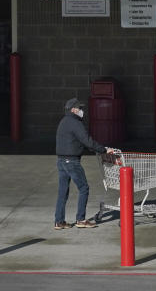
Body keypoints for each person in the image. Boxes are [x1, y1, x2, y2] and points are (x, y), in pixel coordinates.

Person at [54, 97, 115, 229]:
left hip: (61, 161)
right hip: (72, 161)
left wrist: (95, 149)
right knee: (84, 188)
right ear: (74, 109)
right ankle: (81, 219)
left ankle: (59, 222)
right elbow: (87, 141)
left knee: (62, 191)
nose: (82, 111)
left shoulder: (64, 121)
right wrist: (104, 149)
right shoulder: (76, 123)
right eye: (80, 108)